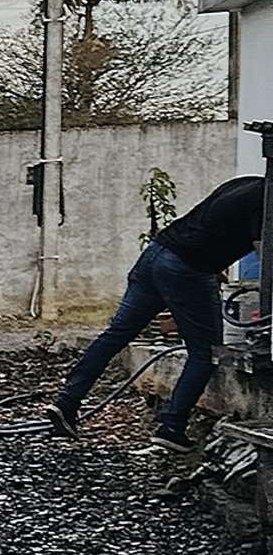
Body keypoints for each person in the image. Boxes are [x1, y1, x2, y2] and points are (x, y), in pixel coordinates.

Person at [46, 171, 266, 451]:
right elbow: (265, 255)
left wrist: (214, 264)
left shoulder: (244, 183)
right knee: (206, 353)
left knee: (116, 335)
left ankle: (66, 403)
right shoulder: (266, 200)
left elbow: (212, 224)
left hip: (157, 254)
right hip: (186, 269)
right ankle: (171, 427)